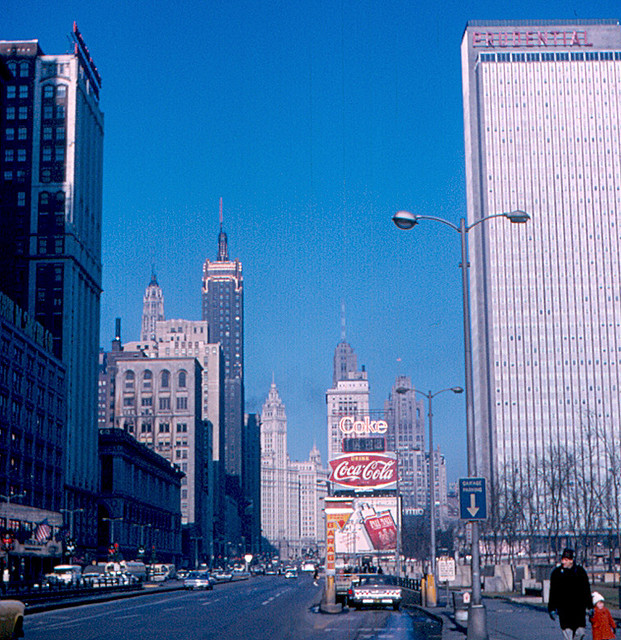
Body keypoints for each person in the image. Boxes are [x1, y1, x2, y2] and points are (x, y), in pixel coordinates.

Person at [548, 548, 593, 640]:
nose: (563, 562)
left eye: (566, 560)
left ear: (571, 560)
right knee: (567, 634)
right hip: (564, 610)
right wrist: (552, 608)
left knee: (580, 632)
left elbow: (586, 590)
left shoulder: (580, 572)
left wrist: (590, 606)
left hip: (579, 610)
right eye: (563, 559)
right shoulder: (556, 573)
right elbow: (553, 592)